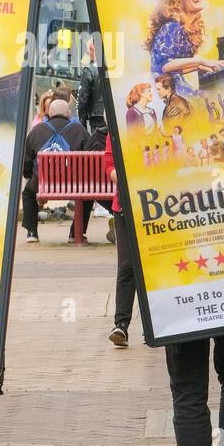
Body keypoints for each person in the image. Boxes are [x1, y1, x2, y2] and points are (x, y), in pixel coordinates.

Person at [21, 94, 87, 242]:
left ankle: (32, 232)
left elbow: (26, 162)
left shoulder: (36, 131)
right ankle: (74, 233)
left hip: (42, 182)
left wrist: (31, 178)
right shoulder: (79, 129)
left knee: (27, 193)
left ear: (49, 113)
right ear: (69, 114)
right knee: (87, 196)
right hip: (74, 184)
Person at [145, 0, 224, 96]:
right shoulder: (172, 27)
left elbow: (174, 70)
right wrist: (202, 61)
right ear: (177, 2)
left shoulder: (184, 31)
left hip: (173, 89)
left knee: (215, 98)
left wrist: (199, 66)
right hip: (166, 92)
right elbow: (164, 67)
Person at [105, 133, 136, 346]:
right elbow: (110, 165)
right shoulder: (115, 129)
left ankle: (157, 326)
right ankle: (121, 325)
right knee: (126, 266)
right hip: (124, 206)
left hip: (155, 206)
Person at [76, 38, 106, 136]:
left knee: (99, 145)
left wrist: (82, 123)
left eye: (90, 50)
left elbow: (82, 99)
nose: (88, 53)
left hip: (97, 118)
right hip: (113, 116)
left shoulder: (90, 70)